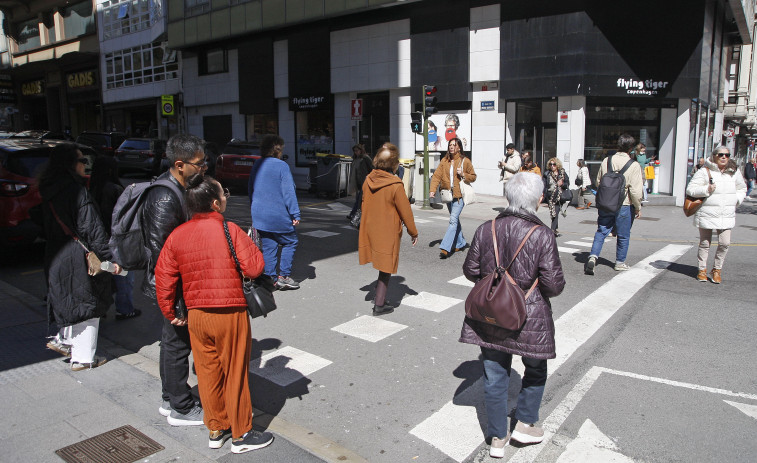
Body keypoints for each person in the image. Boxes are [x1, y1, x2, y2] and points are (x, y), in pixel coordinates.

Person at [155, 176, 274, 453]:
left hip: (197, 314)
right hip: (229, 311)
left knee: (208, 373)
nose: (226, 197)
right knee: (235, 372)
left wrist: (169, 310)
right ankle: (242, 434)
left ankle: (216, 427)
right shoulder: (229, 230)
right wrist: (251, 242)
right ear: (215, 203)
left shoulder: (178, 235)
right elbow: (255, 269)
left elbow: (164, 276)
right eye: (224, 194)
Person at [460, 172, 565, 457]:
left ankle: (497, 438)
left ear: (508, 197)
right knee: (535, 368)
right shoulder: (542, 234)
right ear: (539, 200)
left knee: (494, 374)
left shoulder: (486, 228)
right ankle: (526, 424)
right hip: (529, 317)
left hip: (491, 315)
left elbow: (471, 271)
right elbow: (553, 285)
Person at [142, 133, 208, 426]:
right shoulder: (164, 195)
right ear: (180, 164)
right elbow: (162, 254)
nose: (203, 168)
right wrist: (175, 300)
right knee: (176, 343)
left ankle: (171, 397)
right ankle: (180, 406)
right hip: (174, 286)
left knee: (172, 342)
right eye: (199, 164)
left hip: (180, 283)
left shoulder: (179, 189)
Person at [40, 144, 114, 370]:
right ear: (71, 164)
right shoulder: (77, 191)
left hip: (56, 251)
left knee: (68, 299)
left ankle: (67, 342)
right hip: (78, 253)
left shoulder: (48, 189)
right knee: (88, 303)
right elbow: (92, 227)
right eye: (82, 161)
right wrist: (106, 257)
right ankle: (84, 358)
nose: (86, 165)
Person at [358, 143, 419, 315]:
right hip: (388, 231)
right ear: (393, 163)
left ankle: (379, 298)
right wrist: (413, 232)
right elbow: (406, 212)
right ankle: (379, 304)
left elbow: (364, 204)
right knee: (385, 267)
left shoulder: (369, 179)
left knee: (382, 265)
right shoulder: (395, 184)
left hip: (371, 228)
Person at [89, 155, 140, 320]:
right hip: (117, 240)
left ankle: (100, 308)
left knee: (102, 275)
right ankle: (125, 309)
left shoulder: (91, 189)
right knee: (123, 276)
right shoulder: (115, 189)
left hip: (98, 240)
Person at [584, 134, 643, 275]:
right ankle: (619, 262)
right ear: (631, 148)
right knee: (623, 235)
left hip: (606, 203)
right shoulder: (634, 165)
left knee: (602, 230)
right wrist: (638, 207)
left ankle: (593, 256)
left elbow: (598, 181)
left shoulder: (606, 160)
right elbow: (635, 191)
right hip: (624, 204)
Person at [685, 147, 747, 283]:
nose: (724, 157)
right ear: (714, 156)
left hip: (726, 213)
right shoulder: (704, 171)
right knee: (705, 243)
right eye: (721, 154)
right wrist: (706, 189)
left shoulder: (734, 172)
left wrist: (736, 199)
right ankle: (702, 270)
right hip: (707, 212)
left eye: (727, 155)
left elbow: (742, 188)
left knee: (725, 243)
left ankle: (716, 270)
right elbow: (690, 189)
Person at [248, 134, 301, 290]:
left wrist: (254, 208)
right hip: (277, 215)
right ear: (277, 150)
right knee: (290, 241)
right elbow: (288, 192)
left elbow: (251, 189)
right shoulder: (281, 166)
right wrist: (295, 214)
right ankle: (284, 276)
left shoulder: (257, 164)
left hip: (260, 214)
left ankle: (271, 278)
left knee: (269, 245)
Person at [429, 137, 477, 258]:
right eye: (450, 145)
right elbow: (436, 176)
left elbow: (473, 177)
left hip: (459, 196)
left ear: (459, 147)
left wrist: (463, 174)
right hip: (448, 195)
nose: (451, 147)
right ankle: (460, 243)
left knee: (453, 220)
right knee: (454, 220)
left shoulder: (465, 161)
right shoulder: (444, 161)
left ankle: (446, 247)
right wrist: (432, 190)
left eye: (454, 145)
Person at [542, 157, 569, 237]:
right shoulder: (547, 174)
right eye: (551, 164)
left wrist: (562, 184)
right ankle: (553, 230)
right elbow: (543, 185)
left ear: (557, 165)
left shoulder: (562, 173)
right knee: (554, 213)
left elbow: (567, 183)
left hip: (559, 195)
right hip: (551, 196)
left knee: (555, 212)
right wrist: (543, 194)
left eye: (554, 164)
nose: (552, 166)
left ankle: (554, 230)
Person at [347, 144, 373, 222]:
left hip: (364, 182)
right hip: (357, 182)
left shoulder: (365, 158)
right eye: (354, 151)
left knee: (359, 200)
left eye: (357, 151)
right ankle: (357, 214)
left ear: (361, 150)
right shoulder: (355, 159)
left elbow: (372, 169)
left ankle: (353, 214)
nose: (355, 152)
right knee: (359, 200)